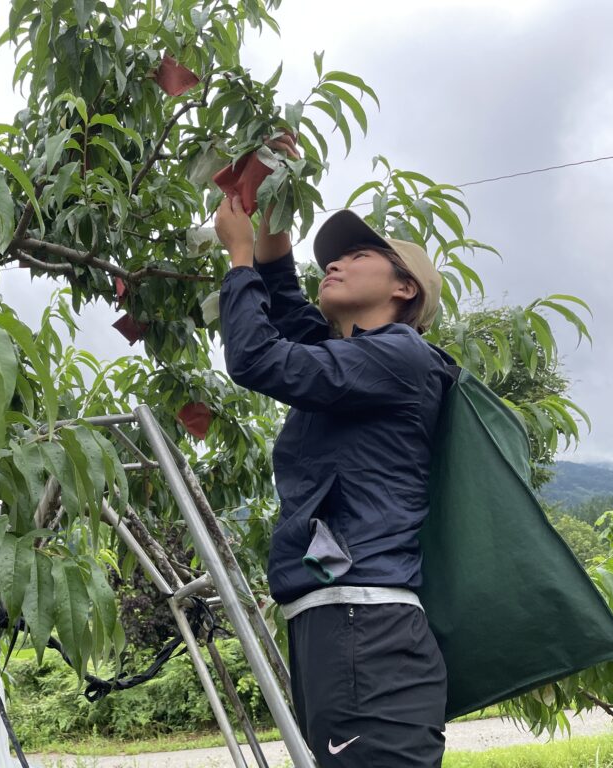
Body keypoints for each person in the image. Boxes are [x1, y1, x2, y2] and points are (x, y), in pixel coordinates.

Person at [215, 135, 455, 767]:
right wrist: (270, 217)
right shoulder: (359, 367)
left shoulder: (401, 355)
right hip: (343, 623)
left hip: (364, 627)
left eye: (358, 254)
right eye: (333, 256)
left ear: (405, 289)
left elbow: (259, 357)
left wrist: (239, 259)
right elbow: (293, 321)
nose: (336, 262)